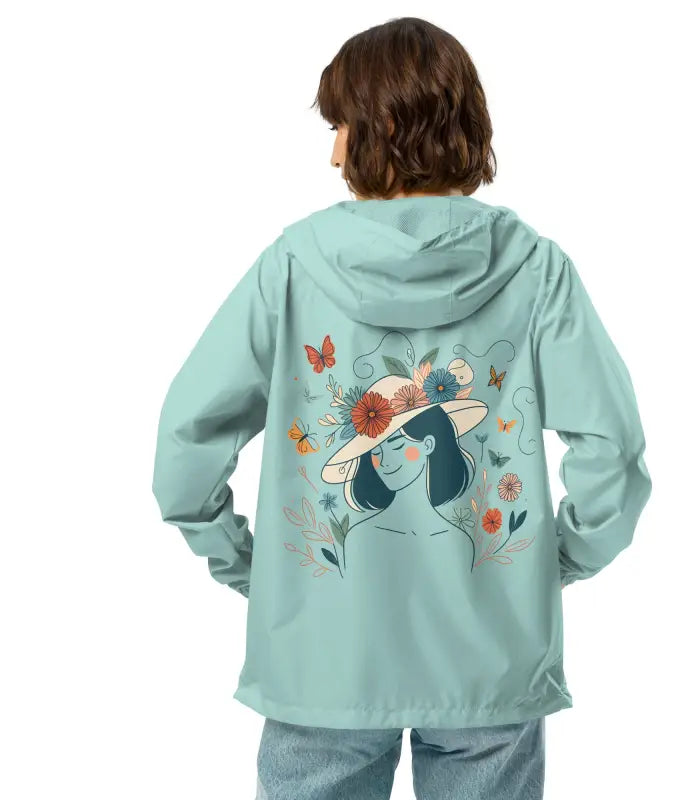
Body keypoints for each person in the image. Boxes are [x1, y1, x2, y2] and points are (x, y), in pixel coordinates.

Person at [151, 16, 652, 800]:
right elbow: (612, 454)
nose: (333, 154)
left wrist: (248, 565)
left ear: (383, 127)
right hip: (490, 657)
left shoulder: (292, 267)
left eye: (340, 127)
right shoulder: (536, 271)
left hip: (322, 659)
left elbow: (187, 445)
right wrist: (554, 565)